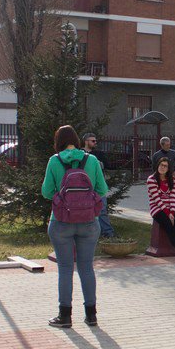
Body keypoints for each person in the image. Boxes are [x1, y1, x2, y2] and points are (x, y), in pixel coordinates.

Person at [42, 125, 109, 328]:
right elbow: (103, 189)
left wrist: (61, 196)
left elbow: (46, 192)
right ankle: (91, 315)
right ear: (77, 140)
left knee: (64, 268)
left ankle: (65, 316)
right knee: (86, 267)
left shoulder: (55, 161)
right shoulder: (92, 160)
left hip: (61, 221)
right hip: (89, 221)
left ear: (58, 141)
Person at [82, 132, 116, 238]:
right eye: (93, 141)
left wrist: (100, 163)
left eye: (95, 141)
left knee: (102, 209)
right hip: (84, 186)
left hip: (98, 185)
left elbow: (108, 166)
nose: (95, 142)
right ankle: (88, 232)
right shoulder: (80, 154)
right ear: (86, 141)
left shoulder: (99, 154)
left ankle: (108, 232)